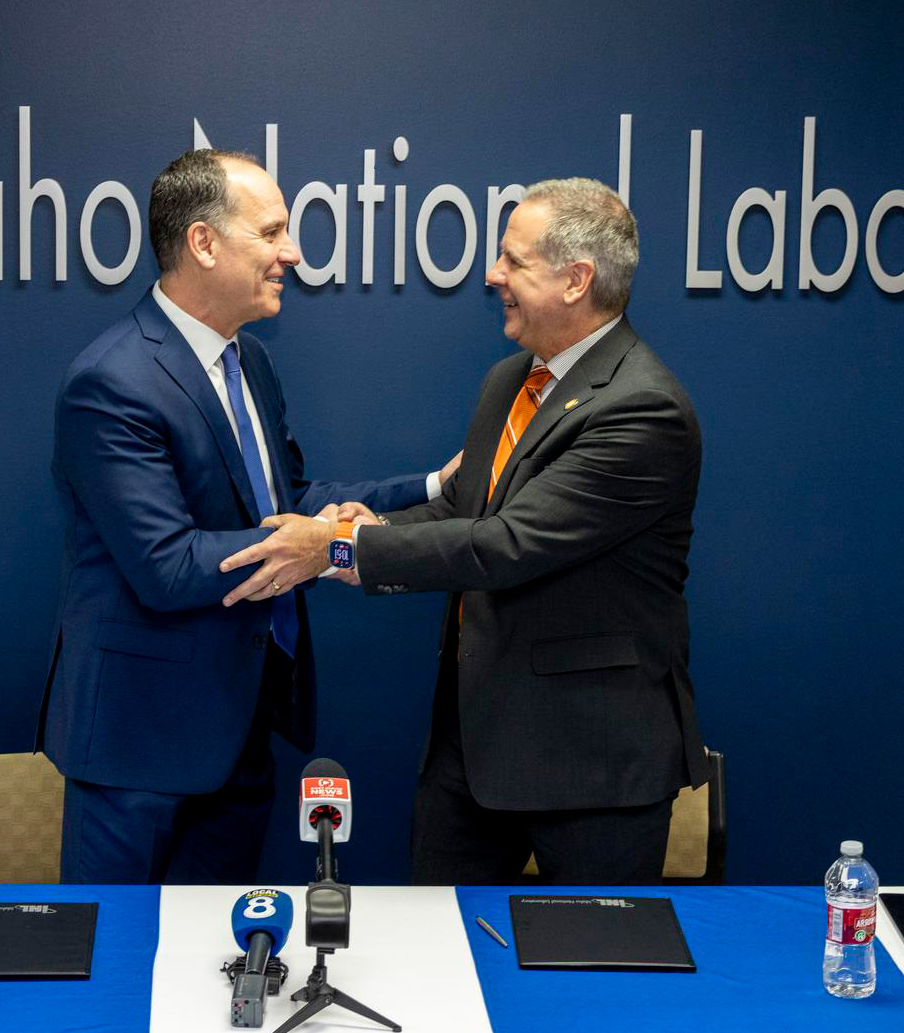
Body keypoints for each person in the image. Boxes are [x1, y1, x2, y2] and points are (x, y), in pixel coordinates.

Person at [219, 178, 704, 885]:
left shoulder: (641, 410)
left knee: (592, 980)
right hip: (470, 751)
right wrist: (372, 525)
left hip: (591, 765)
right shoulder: (509, 380)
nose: (492, 275)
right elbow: (462, 514)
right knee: (439, 960)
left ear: (575, 280)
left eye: (512, 260)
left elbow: (507, 545)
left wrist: (337, 547)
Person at [41, 148, 456, 884]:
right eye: (271, 234)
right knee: (116, 963)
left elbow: (284, 501)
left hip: (242, 729)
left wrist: (427, 486)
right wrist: (318, 548)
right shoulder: (111, 381)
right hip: (141, 745)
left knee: (222, 964)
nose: (291, 254)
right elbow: (166, 568)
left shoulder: (251, 360)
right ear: (202, 243)